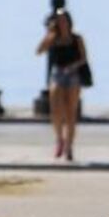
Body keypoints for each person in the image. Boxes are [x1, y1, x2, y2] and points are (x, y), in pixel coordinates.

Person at [36, 10, 88, 161]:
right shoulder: (53, 38)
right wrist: (49, 34)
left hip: (73, 74)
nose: (62, 23)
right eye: (59, 21)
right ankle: (60, 138)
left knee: (71, 112)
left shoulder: (76, 38)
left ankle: (69, 146)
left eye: (64, 20)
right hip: (57, 74)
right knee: (56, 111)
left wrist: (73, 66)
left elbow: (84, 58)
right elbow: (39, 51)